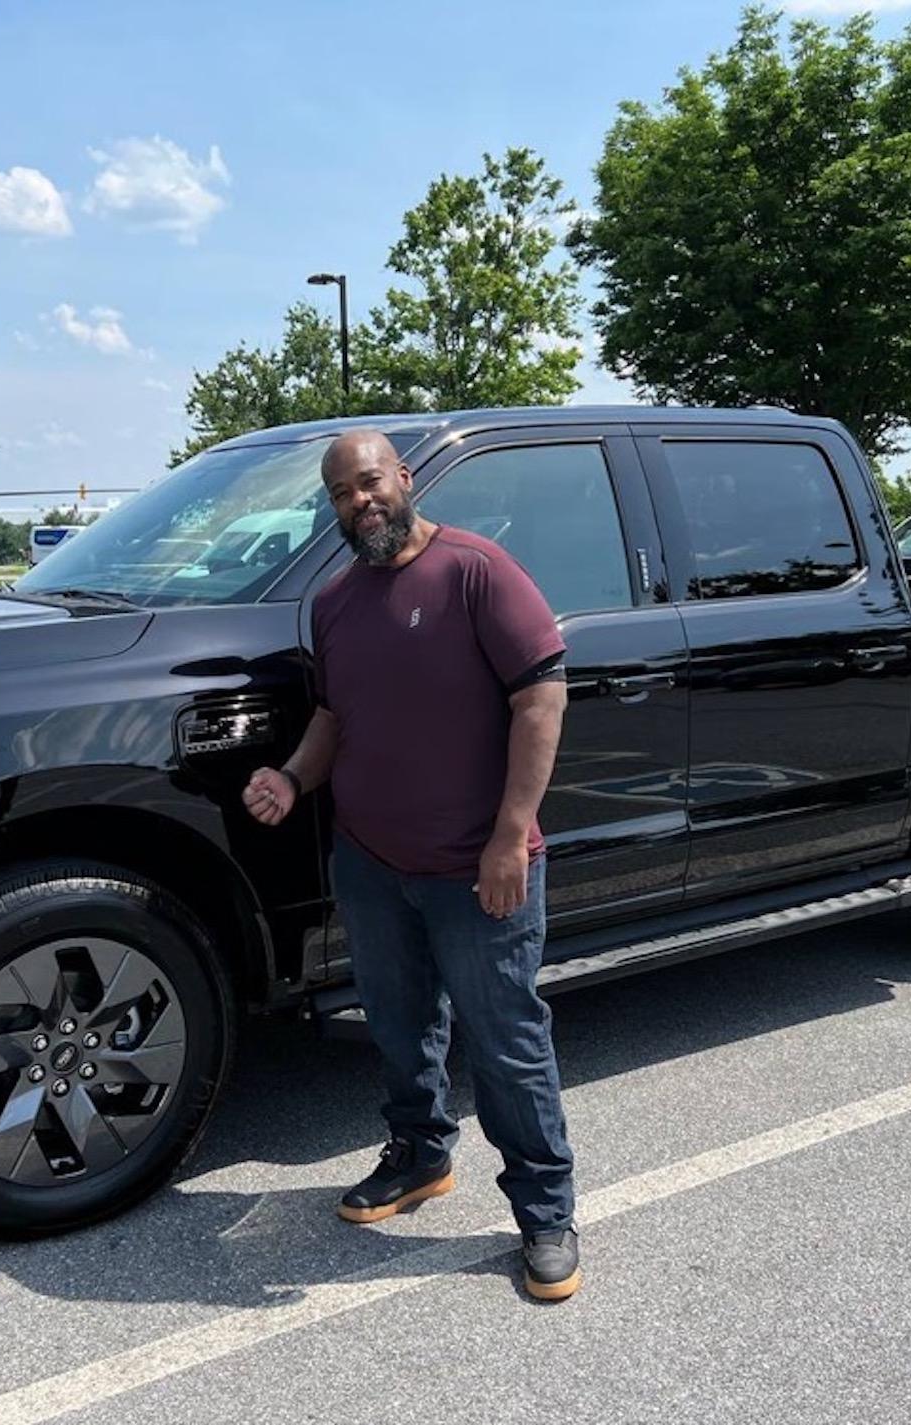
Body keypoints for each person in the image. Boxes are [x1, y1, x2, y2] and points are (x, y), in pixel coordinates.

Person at [242, 429, 581, 1301]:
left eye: (371, 482)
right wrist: (289, 776)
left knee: (506, 1044)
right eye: (343, 494)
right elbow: (334, 718)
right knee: (398, 1026)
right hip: (371, 861)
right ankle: (421, 1154)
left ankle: (545, 1212)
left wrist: (511, 836)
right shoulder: (334, 602)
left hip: (478, 867)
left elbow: (541, 699)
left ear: (404, 477)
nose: (362, 502)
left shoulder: (476, 571)